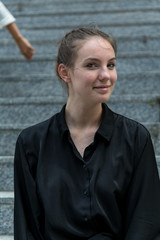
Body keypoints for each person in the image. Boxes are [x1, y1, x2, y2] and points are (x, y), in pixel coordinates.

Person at [14, 26, 160, 240]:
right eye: (92, 65)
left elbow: (146, 221)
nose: (106, 75)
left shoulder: (136, 138)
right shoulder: (31, 143)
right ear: (64, 72)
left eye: (111, 65)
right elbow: (27, 228)